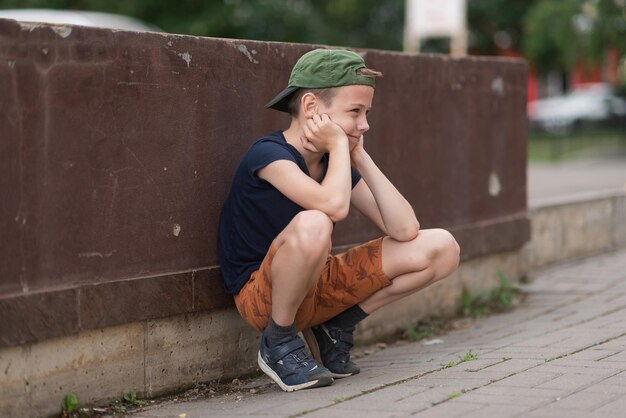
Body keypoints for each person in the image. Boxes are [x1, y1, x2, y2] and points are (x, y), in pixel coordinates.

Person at [218, 48, 460, 392]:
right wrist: (338, 145)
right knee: (315, 222)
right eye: (355, 112)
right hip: (264, 297)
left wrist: (358, 154)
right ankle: (278, 341)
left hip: (319, 287)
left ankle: (338, 324)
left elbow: (405, 229)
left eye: (366, 113)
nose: (365, 124)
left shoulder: (337, 163)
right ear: (312, 107)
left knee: (442, 247)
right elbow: (333, 208)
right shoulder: (269, 155)